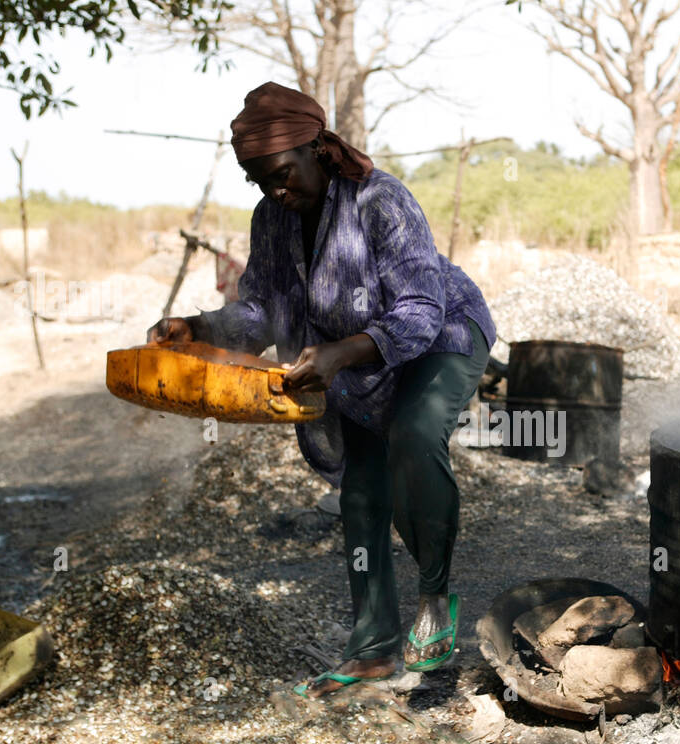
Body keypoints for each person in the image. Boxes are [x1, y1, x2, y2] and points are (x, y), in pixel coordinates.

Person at [147, 82, 496, 699]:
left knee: (414, 436)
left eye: (281, 174)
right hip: (353, 365)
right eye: (259, 182)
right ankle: (373, 651)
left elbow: (418, 308)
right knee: (362, 495)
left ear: (317, 149)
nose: (275, 192)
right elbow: (259, 314)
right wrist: (198, 328)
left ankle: (435, 595)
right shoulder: (272, 219)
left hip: (441, 335)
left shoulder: (380, 200)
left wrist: (340, 353)